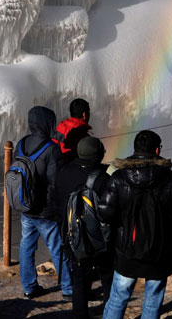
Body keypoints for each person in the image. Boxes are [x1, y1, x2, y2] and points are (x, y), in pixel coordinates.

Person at [98, 130, 172, 319]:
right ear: (157, 150)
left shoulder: (119, 177)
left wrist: (124, 224)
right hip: (160, 249)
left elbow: (105, 212)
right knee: (153, 298)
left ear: (134, 149)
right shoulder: (170, 178)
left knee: (118, 297)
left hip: (127, 248)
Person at [16, 105, 73, 300]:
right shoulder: (52, 150)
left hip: (25, 205)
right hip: (45, 210)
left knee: (26, 246)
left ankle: (29, 287)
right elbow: (54, 181)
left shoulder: (21, 144)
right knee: (57, 246)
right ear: (47, 124)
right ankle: (68, 288)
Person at [55, 136, 114, 318]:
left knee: (80, 278)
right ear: (97, 155)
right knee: (107, 277)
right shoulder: (104, 178)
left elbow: (56, 204)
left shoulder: (63, 172)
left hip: (74, 237)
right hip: (99, 239)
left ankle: (80, 314)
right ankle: (109, 312)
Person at [56, 98, 93, 163]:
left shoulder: (60, 127)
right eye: (89, 112)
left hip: (57, 166)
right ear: (84, 115)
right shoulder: (81, 135)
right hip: (71, 168)